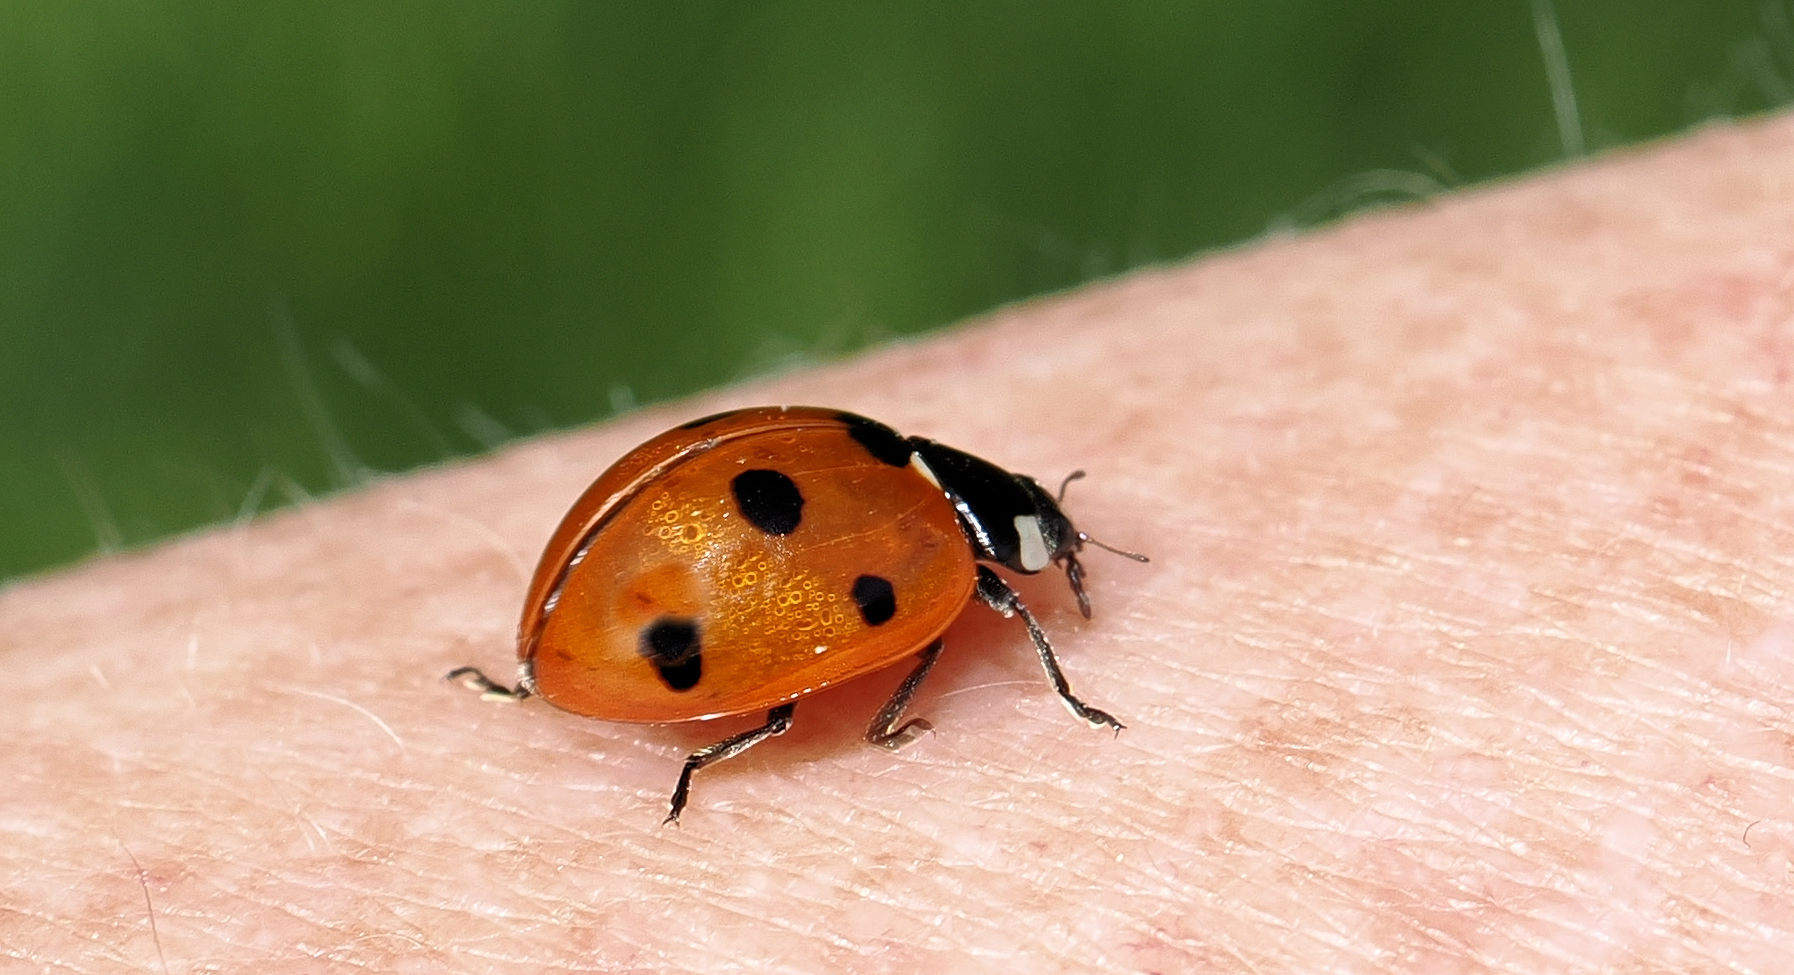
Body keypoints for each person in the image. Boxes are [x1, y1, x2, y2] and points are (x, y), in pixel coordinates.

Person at [8, 114, 1794, 970]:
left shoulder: (883, 486)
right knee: (843, 670)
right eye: (1040, 554)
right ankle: (692, 752)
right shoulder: (930, 558)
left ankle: (633, 720)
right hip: (636, 653)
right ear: (996, 527)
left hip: (596, 614)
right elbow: (904, 622)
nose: (1040, 577)